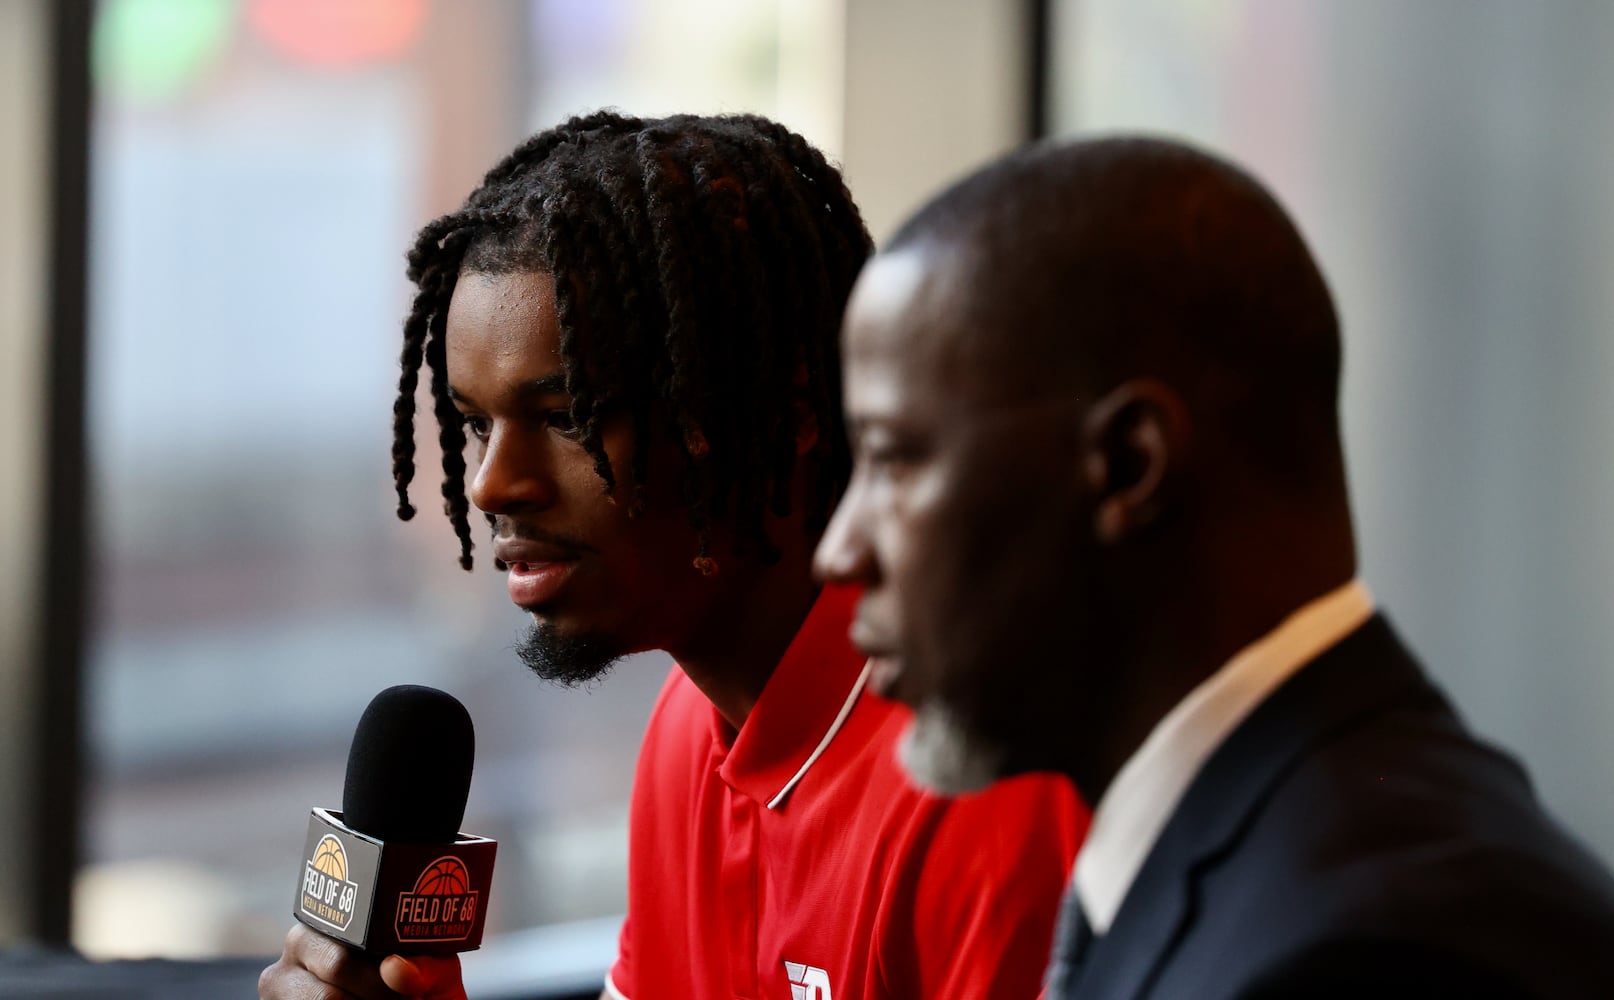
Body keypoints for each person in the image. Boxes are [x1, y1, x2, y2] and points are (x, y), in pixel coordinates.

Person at [259, 111, 1085, 1000]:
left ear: (779, 413)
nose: (494, 485)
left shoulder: (985, 787)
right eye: (475, 423)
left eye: (568, 414)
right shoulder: (687, 733)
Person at [813, 134, 1614, 999]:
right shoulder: (1265, 849)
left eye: (893, 461)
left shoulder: (1367, 955)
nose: (839, 550)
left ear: (1129, 466)